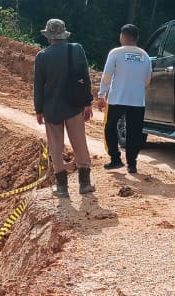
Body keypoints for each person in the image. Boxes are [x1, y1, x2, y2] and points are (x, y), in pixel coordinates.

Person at [33, 18, 95, 197]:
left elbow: (38, 86)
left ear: (49, 36)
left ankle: (62, 187)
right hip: (74, 105)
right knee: (79, 143)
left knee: (55, 146)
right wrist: (87, 102)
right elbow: (85, 76)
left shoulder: (42, 56)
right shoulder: (76, 49)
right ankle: (85, 184)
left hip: (51, 109)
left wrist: (38, 110)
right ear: (63, 34)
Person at [96, 24, 152, 174]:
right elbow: (148, 79)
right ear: (136, 38)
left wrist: (102, 94)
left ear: (123, 36)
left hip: (117, 98)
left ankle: (115, 159)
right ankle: (132, 164)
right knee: (135, 132)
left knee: (110, 127)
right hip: (137, 100)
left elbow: (107, 76)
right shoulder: (145, 56)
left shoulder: (115, 53)